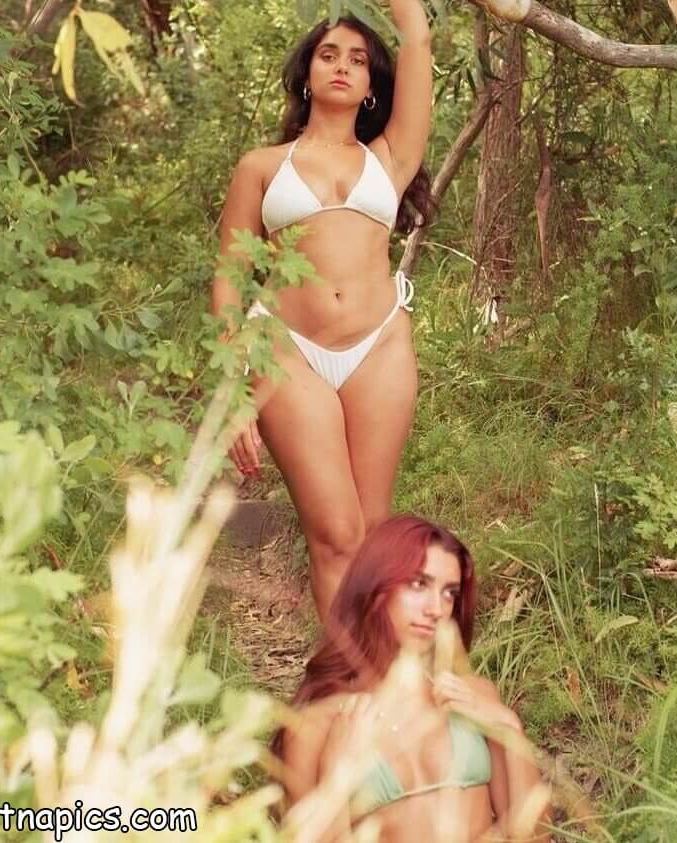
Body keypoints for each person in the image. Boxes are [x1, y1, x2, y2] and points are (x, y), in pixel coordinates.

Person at [210, 2, 434, 624]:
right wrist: (232, 387)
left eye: (358, 60)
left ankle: (364, 675)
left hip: (379, 348)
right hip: (287, 349)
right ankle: (344, 675)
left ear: (371, 87)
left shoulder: (390, 157)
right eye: (329, 54)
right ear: (307, 73)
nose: (342, 66)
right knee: (335, 533)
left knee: (372, 532)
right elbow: (230, 276)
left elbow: (417, 37)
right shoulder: (262, 166)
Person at [273, 516, 550, 843]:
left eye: (449, 593)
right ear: (376, 585)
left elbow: (536, 836)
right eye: (419, 584)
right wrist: (337, 775)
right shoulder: (316, 725)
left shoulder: (473, 696)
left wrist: (509, 726)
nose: (436, 609)